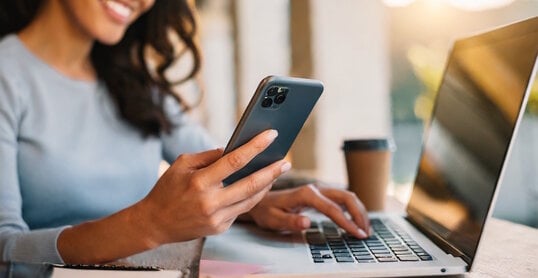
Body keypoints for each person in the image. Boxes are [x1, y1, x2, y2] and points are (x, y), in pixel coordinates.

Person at [0, 0, 370, 265]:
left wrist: (253, 204)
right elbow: (5, 250)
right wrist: (147, 225)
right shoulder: (8, 76)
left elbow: (214, 170)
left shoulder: (136, 83)